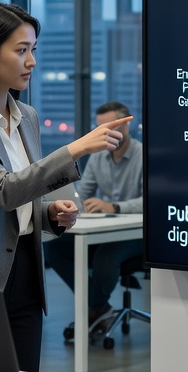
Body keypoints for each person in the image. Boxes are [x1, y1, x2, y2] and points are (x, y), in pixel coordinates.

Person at [0, 1, 132, 372]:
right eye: (21, 51)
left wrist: (47, 214)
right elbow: (3, 190)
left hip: (26, 270)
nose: (31, 61)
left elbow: (22, 198)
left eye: (34, 50)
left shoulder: (26, 117)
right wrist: (77, 147)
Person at [45, 101, 144, 341]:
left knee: (105, 257)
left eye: (110, 126)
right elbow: (84, 192)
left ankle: (96, 308)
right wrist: (75, 204)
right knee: (53, 246)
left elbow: (154, 202)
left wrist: (114, 207)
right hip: (105, 228)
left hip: (138, 233)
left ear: (126, 125)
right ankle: (99, 307)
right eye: (99, 127)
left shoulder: (144, 155)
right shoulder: (99, 157)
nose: (104, 133)